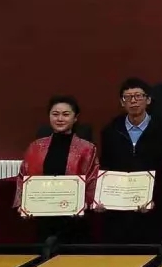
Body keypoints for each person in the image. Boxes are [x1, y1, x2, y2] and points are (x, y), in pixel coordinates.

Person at [98, 78, 162, 244]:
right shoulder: (111, 131)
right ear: (122, 102)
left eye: (138, 96)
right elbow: (105, 168)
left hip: (154, 210)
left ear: (148, 100)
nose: (133, 101)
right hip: (118, 211)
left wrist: (156, 199)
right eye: (128, 97)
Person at [14, 96, 99, 243]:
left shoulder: (87, 149)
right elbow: (23, 177)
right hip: (42, 216)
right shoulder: (35, 147)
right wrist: (23, 204)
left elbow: (92, 180)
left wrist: (86, 203)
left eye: (66, 114)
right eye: (55, 114)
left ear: (75, 118)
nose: (60, 119)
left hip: (74, 219)